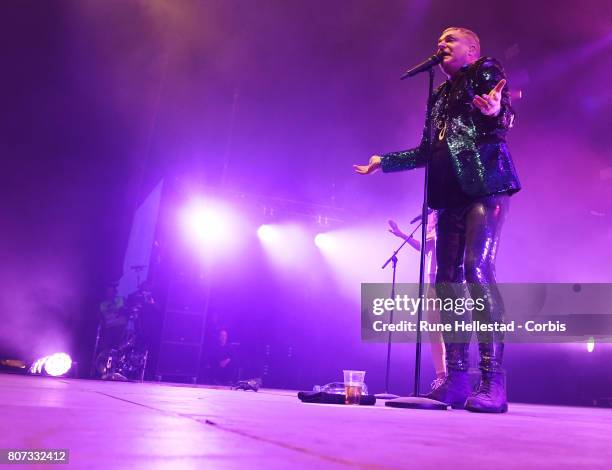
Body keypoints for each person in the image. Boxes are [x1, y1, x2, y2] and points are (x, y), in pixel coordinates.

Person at [355, 27, 521, 413]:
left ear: (472, 49)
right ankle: (456, 378)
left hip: (486, 186)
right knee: (446, 282)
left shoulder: (486, 69)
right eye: (440, 40)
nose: (441, 44)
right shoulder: (439, 96)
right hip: (449, 196)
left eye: (450, 40)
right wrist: (386, 161)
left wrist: (498, 112)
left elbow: (501, 111)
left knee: (476, 268)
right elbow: (429, 150)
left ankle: (492, 380)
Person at [387, 212, 447, 390]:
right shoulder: (430, 233)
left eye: (432, 214)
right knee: (435, 331)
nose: (429, 217)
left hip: (449, 281)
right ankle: (441, 376)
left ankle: (453, 375)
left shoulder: (447, 227)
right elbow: (423, 247)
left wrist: (432, 230)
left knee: (450, 330)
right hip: (432, 280)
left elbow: (432, 243)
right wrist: (402, 234)